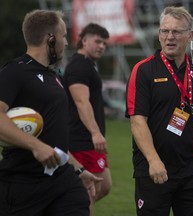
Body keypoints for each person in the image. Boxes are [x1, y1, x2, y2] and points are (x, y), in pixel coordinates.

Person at [125, 6, 193, 216]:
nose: (170, 37)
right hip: (154, 170)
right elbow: (137, 121)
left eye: (176, 32)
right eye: (165, 31)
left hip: (192, 171)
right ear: (159, 35)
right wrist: (153, 160)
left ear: (190, 36)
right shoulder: (144, 70)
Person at [0, 9, 101, 216]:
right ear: (51, 38)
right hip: (22, 182)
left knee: (79, 204)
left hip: (62, 180)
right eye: (63, 36)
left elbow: (55, 137)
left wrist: (78, 169)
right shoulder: (14, 71)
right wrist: (35, 146)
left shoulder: (54, 77)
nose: (66, 42)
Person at [63, 23, 112, 216]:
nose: (101, 46)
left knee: (104, 186)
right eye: (98, 41)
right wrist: (95, 133)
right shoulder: (79, 66)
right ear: (84, 40)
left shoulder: (87, 64)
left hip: (89, 142)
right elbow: (81, 101)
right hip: (82, 140)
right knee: (88, 193)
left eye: (104, 43)